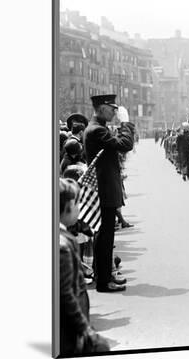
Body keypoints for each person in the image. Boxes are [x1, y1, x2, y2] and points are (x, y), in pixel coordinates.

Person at [83, 94, 135, 292]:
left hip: (105, 188)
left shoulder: (98, 128)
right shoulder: (96, 130)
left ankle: (105, 276)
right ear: (101, 107)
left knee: (105, 236)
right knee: (105, 238)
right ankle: (104, 282)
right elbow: (125, 145)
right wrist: (126, 123)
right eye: (111, 108)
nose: (114, 111)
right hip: (104, 189)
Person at [59, 178, 110, 355]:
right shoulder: (62, 247)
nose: (79, 208)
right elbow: (66, 295)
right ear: (64, 209)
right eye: (75, 204)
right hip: (68, 330)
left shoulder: (63, 236)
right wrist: (85, 329)